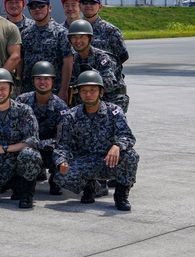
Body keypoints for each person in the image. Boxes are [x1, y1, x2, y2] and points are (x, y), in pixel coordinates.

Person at [54, 70, 139, 211]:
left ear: (101, 92)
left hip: (109, 161)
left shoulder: (114, 112)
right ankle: (90, 186)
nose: (88, 94)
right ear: (79, 93)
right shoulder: (71, 116)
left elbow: (127, 136)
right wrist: (61, 160)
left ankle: (121, 196)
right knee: (61, 176)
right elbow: (63, 144)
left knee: (131, 156)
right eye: (84, 91)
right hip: (85, 161)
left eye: (93, 90)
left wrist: (117, 145)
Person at [0, 69, 42, 209]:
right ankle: (13, 183)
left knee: (29, 155)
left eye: (3, 89)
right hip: (1, 162)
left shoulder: (23, 110)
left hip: (21, 157)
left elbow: (33, 140)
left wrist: (5, 149)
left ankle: (26, 194)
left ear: (11, 89)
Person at [15, 61, 69, 196]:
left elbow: (63, 138)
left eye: (46, 79)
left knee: (63, 152)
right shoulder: (22, 101)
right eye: (38, 78)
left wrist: (37, 144)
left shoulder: (60, 107)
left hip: (50, 151)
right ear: (33, 81)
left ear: (53, 81)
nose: (42, 82)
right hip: (25, 149)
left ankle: (56, 179)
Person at [19, 0, 74, 102]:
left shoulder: (61, 33)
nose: (37, 9)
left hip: (54, 91)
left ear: (49, 8)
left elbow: (68, 61)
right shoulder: (25, 33)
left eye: (41, 5)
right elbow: (21, 60)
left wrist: (63, 90)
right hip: (29, 91)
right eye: (33, 6)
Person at [67, 20, 128, 111]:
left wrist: (93, 74)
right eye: (74, 37)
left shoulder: (102, 58)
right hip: (90, 100)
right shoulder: (75, 59)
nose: (78, 41)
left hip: (112, 100)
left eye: (82, 37)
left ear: (90, 39)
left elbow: (109, 85)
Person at [80, 0, 129, 67]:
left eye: (92, 3)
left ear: (100, 7)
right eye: (84, 2)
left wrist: (107, 67)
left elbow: (123, 56)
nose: (88, 5)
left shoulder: (111, 30)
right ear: (79, 6)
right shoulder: (76, 29)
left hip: (105, 77)